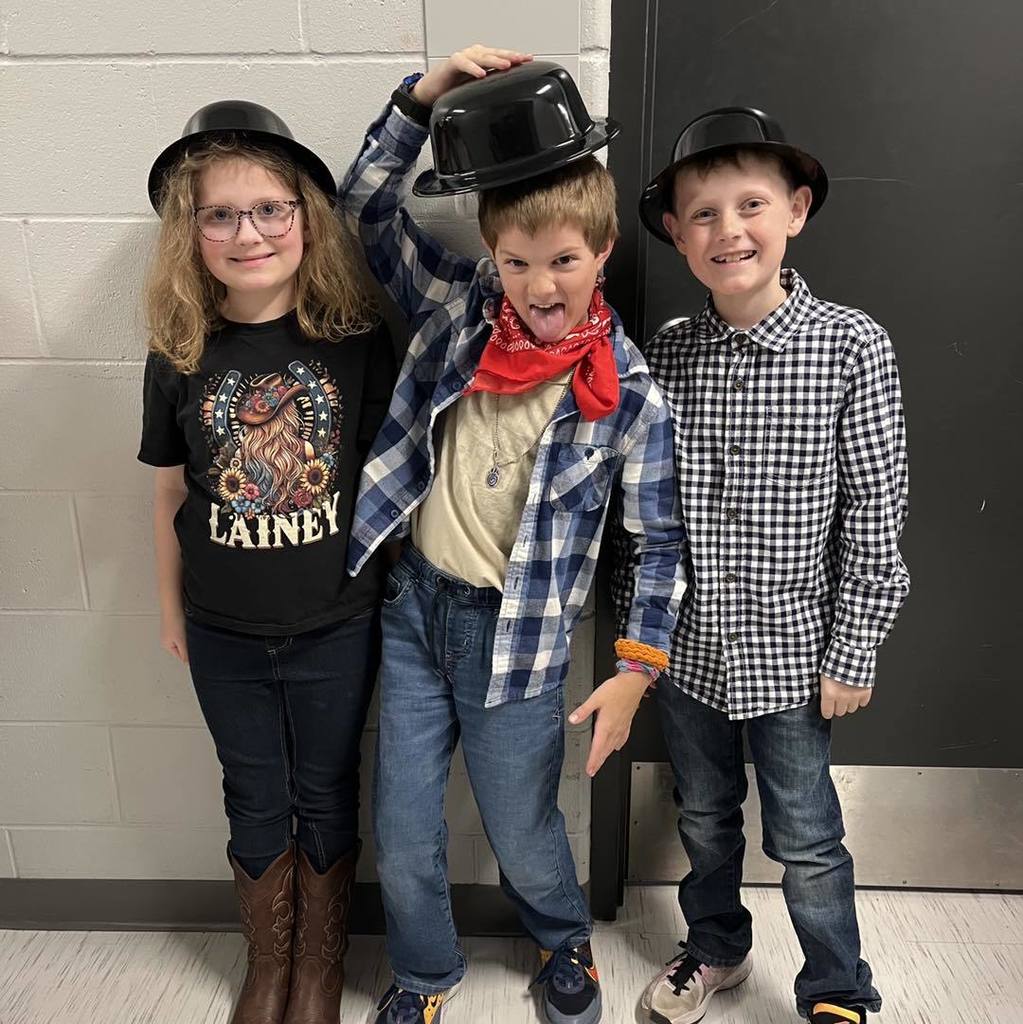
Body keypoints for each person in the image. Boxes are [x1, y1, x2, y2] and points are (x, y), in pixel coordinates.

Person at [339, 46, 687, 1024]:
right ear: (492, 256)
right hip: (417, 614)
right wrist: (420, 101)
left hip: (519, 641)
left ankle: (562, 940)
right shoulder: (456, 312)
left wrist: (636, 669)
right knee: (403, 829)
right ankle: (424, 972)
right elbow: (364, 211)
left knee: (525, 827)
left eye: (564, 260)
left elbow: (658, 544)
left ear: (602, 252)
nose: (539, 284)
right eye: (518, 261)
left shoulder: (630, 397)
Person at [622, 107, 910, 1024]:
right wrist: (641, 644)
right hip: (690, 656)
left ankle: (836, 984)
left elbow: (875, 514)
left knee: (807, 836)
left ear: (794, 210)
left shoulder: (850, 345)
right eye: (702, 214)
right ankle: (714, 948)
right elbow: (645, 515)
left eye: (750, 205)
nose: (728, 230)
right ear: (677, 234)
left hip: (793, 656)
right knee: (703, 819)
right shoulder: (668, 353)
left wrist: (853, 649)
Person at [139, 100, 395, 1024]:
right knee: (250, 794)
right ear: (191, 232)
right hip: (221, 630)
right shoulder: (179, 352)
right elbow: (168, 495)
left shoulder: (357, 340)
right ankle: (268, 966)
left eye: (268, 210)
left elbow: (389, 483)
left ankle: (318, 968)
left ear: (305, 219)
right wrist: (170, 612)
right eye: (220, 214)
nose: (247, 234)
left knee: (326, 790)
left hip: (336, 623)